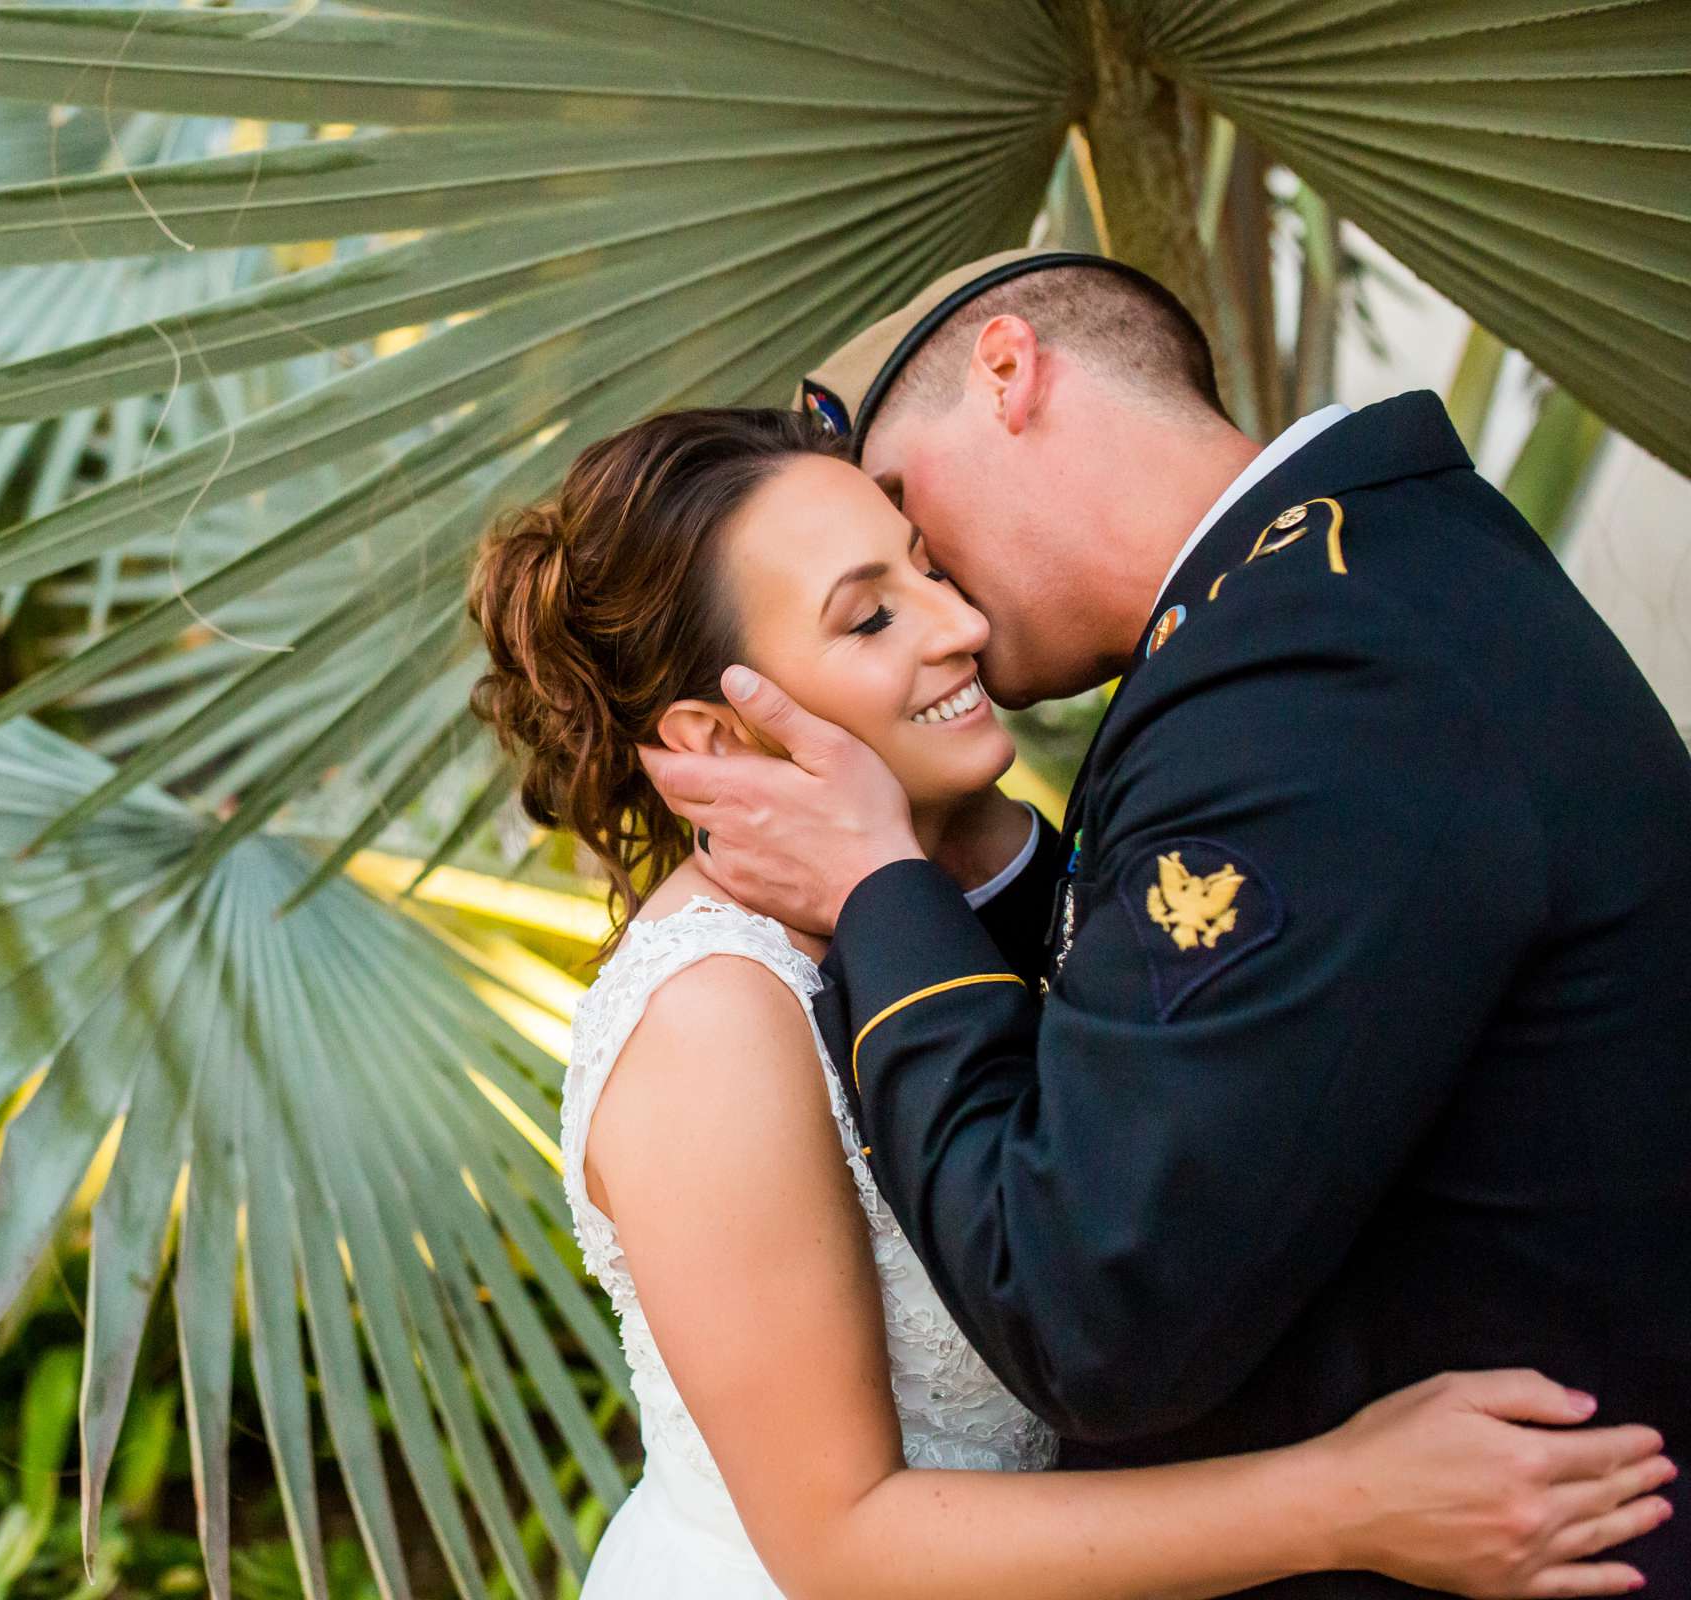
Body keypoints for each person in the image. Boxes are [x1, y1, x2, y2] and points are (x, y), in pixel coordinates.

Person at [465, 407, 1674, 1599]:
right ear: (717, 734)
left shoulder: (947, 896)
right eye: (873, 614)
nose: (964, 624)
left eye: (931, 567)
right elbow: (841, 1547)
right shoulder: (712, 1016)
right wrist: (1349, 1500)